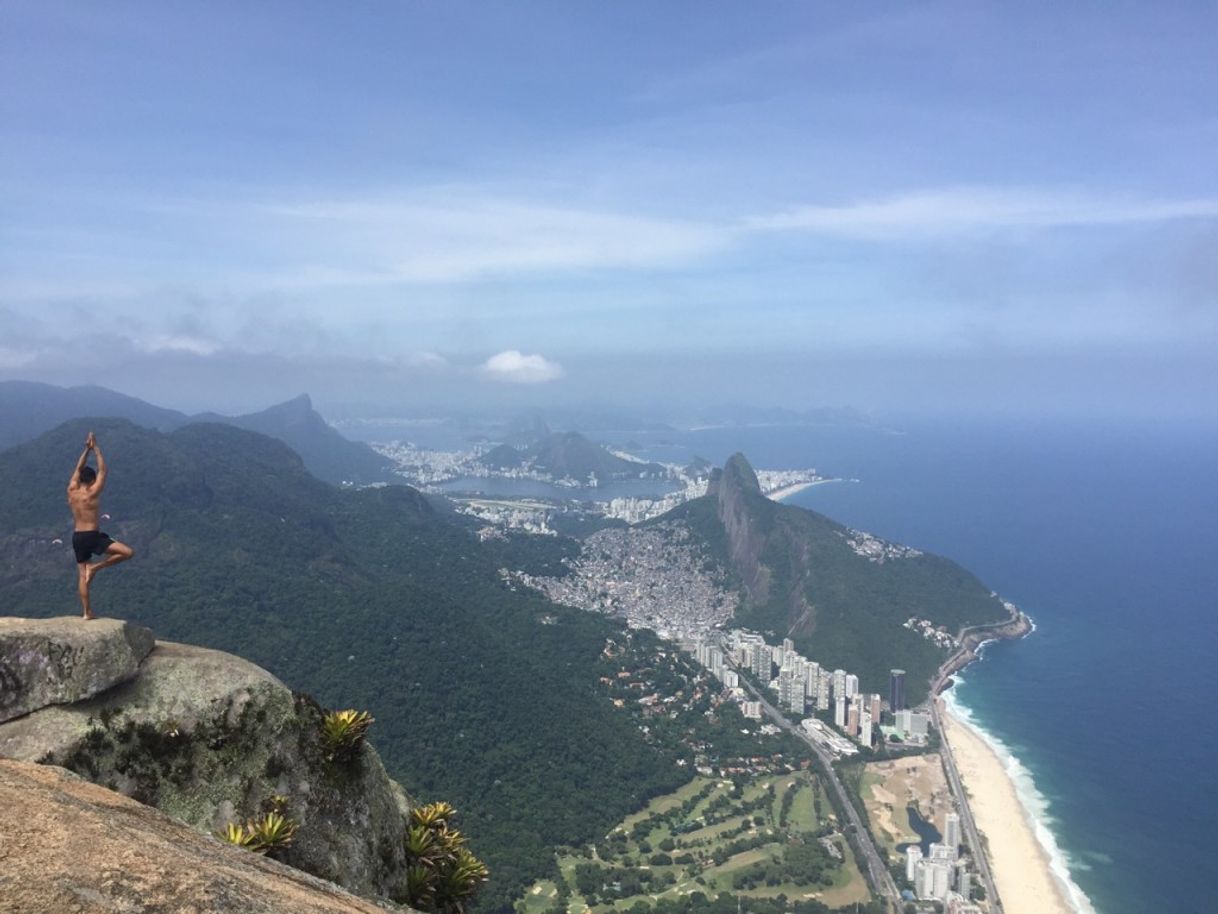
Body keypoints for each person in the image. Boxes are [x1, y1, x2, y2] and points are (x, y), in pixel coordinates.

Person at [67, 431, 134, 619]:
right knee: (127, 553)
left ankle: (86, 612)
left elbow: (77, 469)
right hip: (93, 536)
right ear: (92, 480)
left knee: (82, 575)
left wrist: (85, 451)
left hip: (77, 537)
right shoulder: (93, 492)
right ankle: (96, 567)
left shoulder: (71, 490)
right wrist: (95, 448)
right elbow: (104, 470)